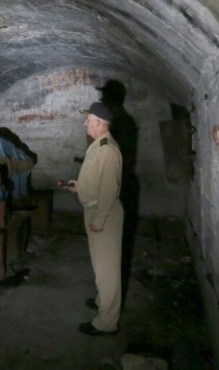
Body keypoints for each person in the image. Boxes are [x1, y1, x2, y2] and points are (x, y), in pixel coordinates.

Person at [67, 102, 123, 336]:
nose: (85, 123)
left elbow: (110, 189)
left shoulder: (108, 149)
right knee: (101, 265)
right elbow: (98, 179)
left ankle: (106, 323)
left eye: (88, 120)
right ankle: (103, 300)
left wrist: (99, 219)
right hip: (95, 208)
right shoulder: (98, 146)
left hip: (105, 213)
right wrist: (80, 187)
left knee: (107, 270)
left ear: (99, 123)